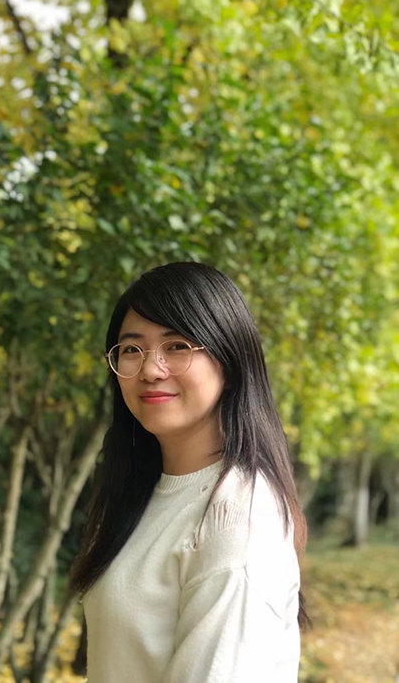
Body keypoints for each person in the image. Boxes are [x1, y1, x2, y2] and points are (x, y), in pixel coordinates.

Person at [70, 262, 308, 683]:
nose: (150, 369)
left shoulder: (237, 517)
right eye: (132, 349)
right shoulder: (142, 494)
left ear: (230, 360)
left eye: (177, 345)